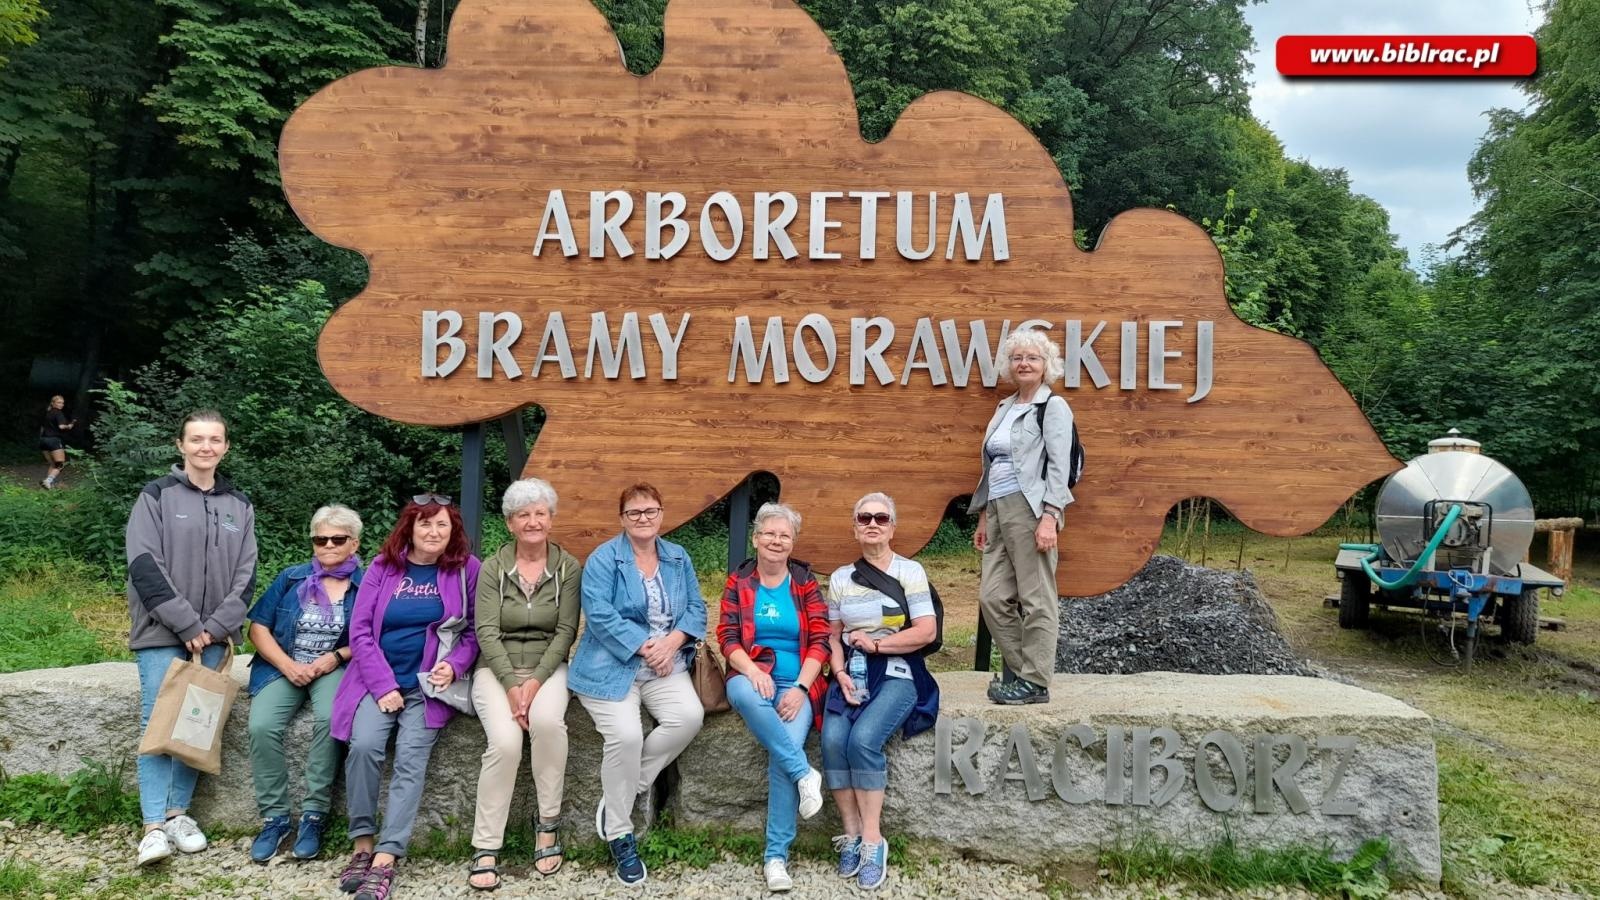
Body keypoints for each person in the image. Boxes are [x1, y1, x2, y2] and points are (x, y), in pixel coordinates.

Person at [330, 493, 481, 900]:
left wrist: (456, 665)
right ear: (410, 528)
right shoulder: (384, 567)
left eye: (442, 525)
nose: (433, 532)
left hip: (429, 687)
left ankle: (386, 858)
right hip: (376, 681)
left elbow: (473, 633)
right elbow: (360, 631)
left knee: (411, 760)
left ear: (453, 533)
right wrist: (383, 687)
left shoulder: (466, 570)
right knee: (363, 746)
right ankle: (362, 843)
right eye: (425, 524)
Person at [125, 409, 257, 867]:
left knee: (194, 726)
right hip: (162, 632)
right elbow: (144, 563)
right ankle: (152, 827)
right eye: (196, 439)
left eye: (214, 439)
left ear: (225, 446)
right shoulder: (156, 496)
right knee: (158, 724)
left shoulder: (239, 505)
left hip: (215, 635)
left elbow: (247, 576)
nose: (206, 447)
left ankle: (179, 815)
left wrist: (216, 627)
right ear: (181, 446)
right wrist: (186, 624)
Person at [569, 483, 706, 886]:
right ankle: (619, 832)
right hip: (612, 664)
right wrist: (647, 646)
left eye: (650, 511)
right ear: (622, 518)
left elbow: (697, 607)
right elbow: (598, 614)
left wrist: (675, 641)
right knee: (626, 737)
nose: (643, 518)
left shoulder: (678, 557)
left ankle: (624, 791)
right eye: (634, 512)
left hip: (667, 664)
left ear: (662, 514)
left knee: (689, 717)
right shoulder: (603, 559)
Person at [467, 479, 581, 890]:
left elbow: (566, 631)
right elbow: (486, 631)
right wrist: (512, 687)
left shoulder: (568, 567)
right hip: (494, 670)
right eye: (523, 515)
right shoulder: (493, 568)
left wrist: (532, 684)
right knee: (506, 742)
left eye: (539, 513)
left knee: (549, 724)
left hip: (548, 668)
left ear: (551, 519)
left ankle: (547, 823)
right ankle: (486, 845)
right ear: (510, 523)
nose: (532, 521)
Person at [822, 492, 939, 891]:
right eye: (864, 518)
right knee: (834, 739)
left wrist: (878, 645)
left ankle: (873, 840)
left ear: (893, 527)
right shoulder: (840, 578)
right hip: (851, 669)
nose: (873, 524)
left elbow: (927, 630)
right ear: (854, 527)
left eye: (881, 518)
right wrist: (838, 673)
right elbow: (832, 636)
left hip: (898, 669)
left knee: (864, 739)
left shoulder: (910, 572)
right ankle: (851, 835)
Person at [244, 504, 366, 864]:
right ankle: (275, 817)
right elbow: (258, 627)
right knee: (262, 725)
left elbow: (372, 634)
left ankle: (314, 815)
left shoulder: (367, 583)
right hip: (284, 665)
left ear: (354, 544)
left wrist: (337, 656)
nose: (328, 545)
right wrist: (286, 664)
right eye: (320, 538)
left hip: (334, 668)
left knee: (330, 720)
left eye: (337, 539)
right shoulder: (292, 578)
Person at [717, 502, 828, 893]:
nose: (776, 541)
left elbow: (820, 640)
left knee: (785, 752)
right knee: (746, 695)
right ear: (756, 538)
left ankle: (775, 857)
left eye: (784, 535)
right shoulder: (740, 580)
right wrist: (750, 669)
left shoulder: (804, 581)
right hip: (751, 673)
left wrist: (799, 688)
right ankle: (806, 774)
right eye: (769, 533)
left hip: (798, 680)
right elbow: (727, 636)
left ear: (792, 542)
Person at [968, 327, 1074, 705]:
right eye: (1017, 358)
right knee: (992, 598)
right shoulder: (1004, 406)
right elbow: (992, 464)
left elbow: (1059, 466)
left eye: (1032, 357)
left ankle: (1034, 682)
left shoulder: (1052, 407)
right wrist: (983, 516)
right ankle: (1029, 674)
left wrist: (1051, 516)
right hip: (997, 510)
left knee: (1037, 598)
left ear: (1046, 365)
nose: (1024, 363)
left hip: (1031, 510)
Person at [39, 395, 74, 490]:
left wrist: (41, 439)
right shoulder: (58, 413)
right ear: (53, 403)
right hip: (54, 440)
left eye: (62, 403)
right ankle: (48, 481)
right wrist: (69, 426)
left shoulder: (47, 413)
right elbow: (61, 427)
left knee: (53, 464)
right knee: (60, 464)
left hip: (43, 441)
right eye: (59, 402)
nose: (61, 405)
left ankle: (49, 485)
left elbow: (42, 428)